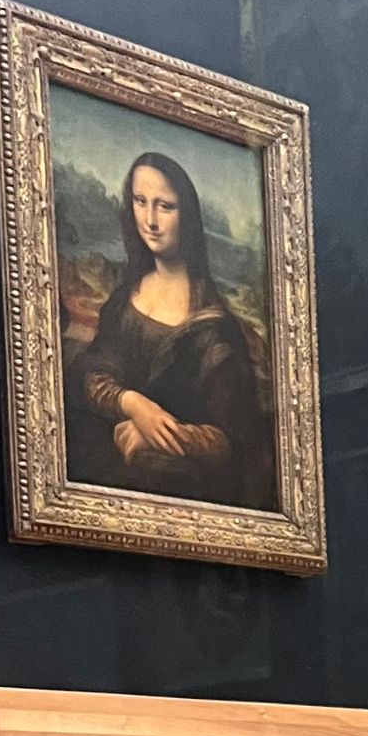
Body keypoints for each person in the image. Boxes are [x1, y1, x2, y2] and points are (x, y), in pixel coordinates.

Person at [66, 152, 275, 511]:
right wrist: (133, 404)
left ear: (187, 217)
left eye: (165, 206)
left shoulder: (215, 331)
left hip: (183, 493)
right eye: (140, 201)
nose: (150, 220)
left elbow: (237, 443)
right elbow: (90, 372)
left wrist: (160, 436)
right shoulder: (125, 298)